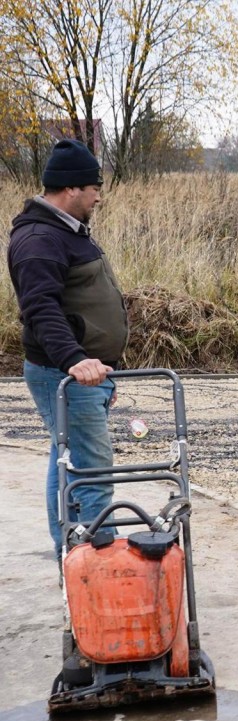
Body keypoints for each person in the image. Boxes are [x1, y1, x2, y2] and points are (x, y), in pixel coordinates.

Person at [6, 139, 128, 558]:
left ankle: (71, 552)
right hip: (65, 374)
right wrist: (76, 360)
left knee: (69, 458)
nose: (99, 195)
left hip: (82, 374)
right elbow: (40, 309)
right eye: (94, 186)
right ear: (71, 188)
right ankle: (98, 557)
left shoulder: (64, 231)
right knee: (93, 466)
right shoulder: (39, 238)